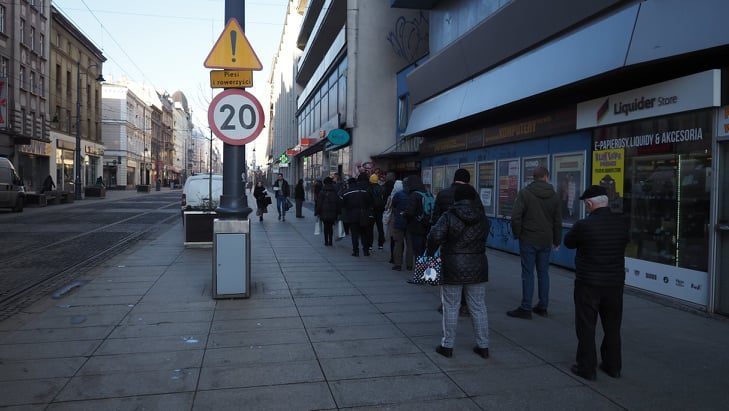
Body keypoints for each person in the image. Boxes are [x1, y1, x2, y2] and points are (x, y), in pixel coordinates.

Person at [564, 185, 629, 381]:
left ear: (590, 204)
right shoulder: (622, 223)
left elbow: (568, 242)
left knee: (586, 325)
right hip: (614, 283)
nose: (586, 207)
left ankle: (587, 368)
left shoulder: (584, 225)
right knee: (612, 326)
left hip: (588, 283)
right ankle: (613, 366)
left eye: (586, 204)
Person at [426, 184, 491, 359]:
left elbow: (434, 236)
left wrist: (430, 253)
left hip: (452, 265)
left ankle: (447, 345)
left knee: (451, 306)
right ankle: (483, 346)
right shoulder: (483, 217)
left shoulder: (448, 216)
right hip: (477, 265)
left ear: (456, 198)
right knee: (478, 307)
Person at [507, 166, 562, 320]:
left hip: (528, 238)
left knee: (528, 273)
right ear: (546, 177)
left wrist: (517, 234)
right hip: (546, 239)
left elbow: (516, 216)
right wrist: (557, 240)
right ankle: (543, 306)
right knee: (544, 273)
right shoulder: (554, 196)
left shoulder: (525, 193)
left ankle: (526, 307)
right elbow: (558, 221)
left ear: (534, 177)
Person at [433, 168, 481, 317]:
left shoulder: (442, 194)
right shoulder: (473, 195)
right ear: (467, 180)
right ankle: (465, 305)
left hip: (448, 241)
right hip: (470, 242)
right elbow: (480, 218)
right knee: (467, 273)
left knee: (447, 272)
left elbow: (435, 219)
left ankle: (445, 302)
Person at [340, 173, 374, 256]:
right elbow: (370, 202)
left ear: (349, 184)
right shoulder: (364, 191)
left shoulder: (346, 193)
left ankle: (356, 251)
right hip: (363, 214)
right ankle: (366, 251)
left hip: (352, 215)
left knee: (354, 234)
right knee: (364, 233)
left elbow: (343, 204)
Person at [402, 175, 432, 262]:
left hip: (416, 226)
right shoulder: (428, 193)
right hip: (427, 225)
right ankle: (426, 269)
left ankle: (419, 270)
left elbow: (410, 212)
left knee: (418, 250)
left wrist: (404, 214)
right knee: (425, 248)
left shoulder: (414, 195)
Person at [389, 180, 412, 271]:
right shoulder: (414, 194)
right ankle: (409, 264)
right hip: (410, 222)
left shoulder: (398, 194)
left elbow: (393, 205)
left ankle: (398, 264)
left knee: (398, 243)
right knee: (410, 245)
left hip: (399, 221)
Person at [315, 177, 339, 246]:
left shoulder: (322, 191)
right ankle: (330, 241)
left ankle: (326, 241)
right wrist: (338, 212)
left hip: (324, 212)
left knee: (325, 227)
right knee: (330, 227)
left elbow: (319, 203)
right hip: (333, 212)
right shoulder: (334, 191)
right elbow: (338, 202)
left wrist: (317, 212)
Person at [368, 174, 387, 251]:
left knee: (370, 228)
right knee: (380, 228)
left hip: (372, 210)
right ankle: (381, 244)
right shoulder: (382, 188)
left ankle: (370, 245)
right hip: (380, 210)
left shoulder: (369, 189)